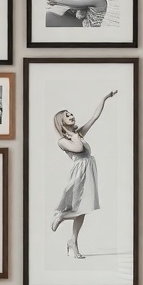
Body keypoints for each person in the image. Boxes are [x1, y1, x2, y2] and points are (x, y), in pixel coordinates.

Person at [51, 90, 118, 258]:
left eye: (71, 113)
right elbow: (79, 149)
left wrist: (104, 98)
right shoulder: (63, 141)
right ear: (62, 122)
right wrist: (73, 134)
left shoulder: (77, 134)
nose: (72, 115)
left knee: (84, 208)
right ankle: (62, 215)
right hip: (80, 172)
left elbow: (95, 116)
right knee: (81, 206)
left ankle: (73, 240)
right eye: (67, 115)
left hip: (88, 170)